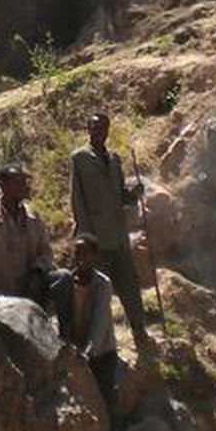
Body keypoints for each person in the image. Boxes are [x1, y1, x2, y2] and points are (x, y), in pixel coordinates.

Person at [68, 112, 153, 354]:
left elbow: (120, 196)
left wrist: (133, 193)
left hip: (118, 236)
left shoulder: (115, 159)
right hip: (95, 239)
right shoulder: (79, 158)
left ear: (107, 130)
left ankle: (139, 330)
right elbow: (77, 199)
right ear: (87, 130)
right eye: (94, 128)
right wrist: (85, 239)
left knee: (129, 285)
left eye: (102, 128)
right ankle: (100, 342)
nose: (98, 132)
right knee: (98, 292)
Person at [49, 233, 124, 431]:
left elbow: (101, 321)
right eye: (77, 253)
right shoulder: (66, 284)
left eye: (85, 254)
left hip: (101, 352)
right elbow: (57, 315)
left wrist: (89, 350)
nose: (80, 258)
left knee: (107, 399)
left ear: (94, 256)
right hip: (77, 351)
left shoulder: (103, 285)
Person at [0, 163, 54, 299]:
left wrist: (38, 270)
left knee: (63, 278)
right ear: (3, 186)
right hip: (2, 294)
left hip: (31, 289)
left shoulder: (33, 217)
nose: (22, 187)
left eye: (23, 182)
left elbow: (46, 252)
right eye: (17, 183)